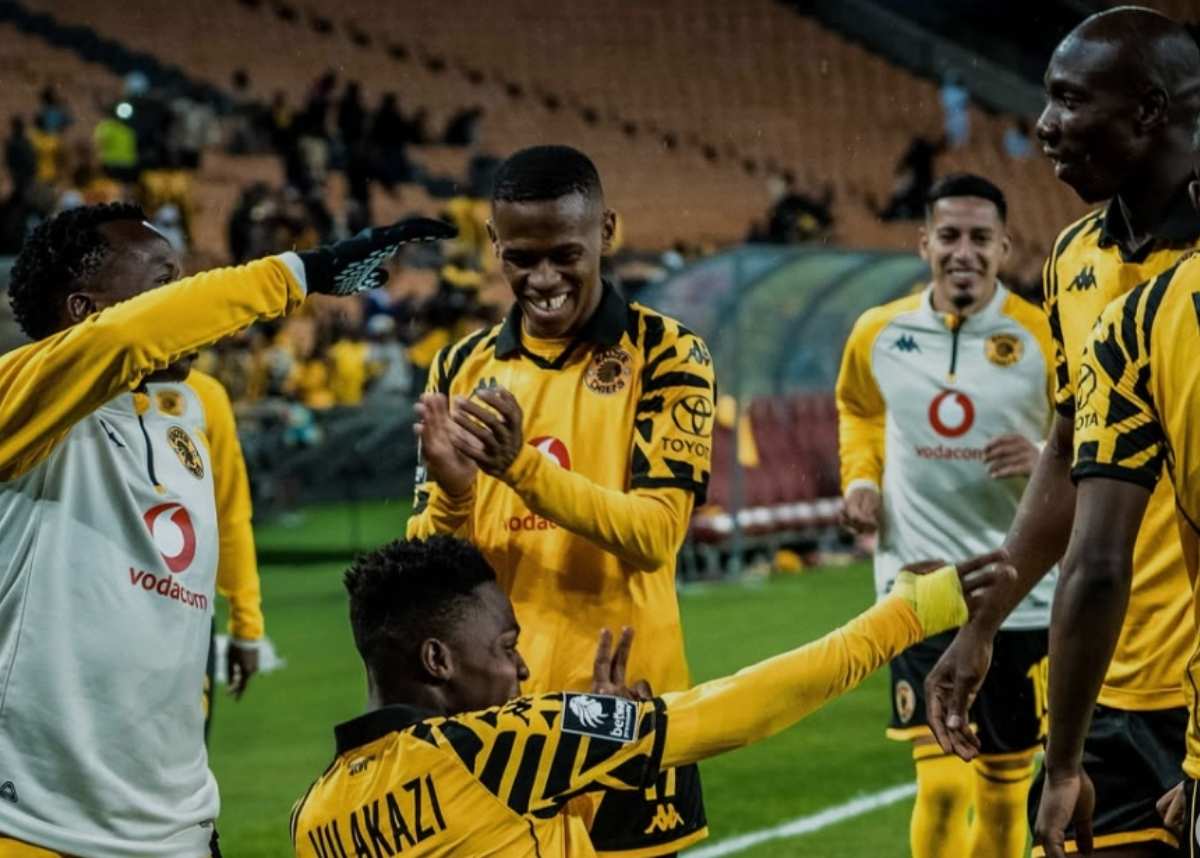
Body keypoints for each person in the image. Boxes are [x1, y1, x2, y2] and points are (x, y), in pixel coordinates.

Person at [0, 202, 454, 857]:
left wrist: (246, 620)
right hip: (37, 828)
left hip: (176, 827)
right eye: (165, 285)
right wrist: (302, 271)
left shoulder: (193, 409)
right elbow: (125, 339)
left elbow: (229, 521)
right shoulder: (19, 400)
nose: (188, 301)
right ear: (82, 310)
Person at [923, 8, 1200, 857]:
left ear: (1149, 111)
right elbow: (1070, 452)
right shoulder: (1074, 261)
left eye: (1070, 101)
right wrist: (986, 620)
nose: (1043, 125)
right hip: (1106, 682)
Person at [290, 535, 1012, 857]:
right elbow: (741, 708)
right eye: (506, 648)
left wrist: (597, 767)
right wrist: (904, 617)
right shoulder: (496, 748)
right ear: (438, 660)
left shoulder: (314, 816)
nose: (523, 671)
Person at [406, 144, 715, 855]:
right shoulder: (459, 366)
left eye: (565, 255)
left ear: (607, 231)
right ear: (493, 242)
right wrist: (453, 494)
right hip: (499, 719)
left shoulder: (669, 355)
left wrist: (521, 468)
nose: (542, 279)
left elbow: (656, 536)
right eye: (520, 258)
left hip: (627, 703)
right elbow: (427, 576)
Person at [837, 173, 1055, 858]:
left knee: (1004, 790)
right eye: (950, 236)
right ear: (924, 242)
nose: (964, 252)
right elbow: (858, 410)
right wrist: (861, 478)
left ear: (1004, 247)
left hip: (1023, 594)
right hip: (920, 585)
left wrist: (1044, 454)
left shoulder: (1045, 336)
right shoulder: (878, 332)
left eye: (980, 238)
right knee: (941, 786)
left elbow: (1092, 432)